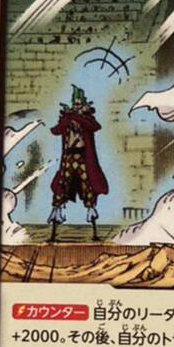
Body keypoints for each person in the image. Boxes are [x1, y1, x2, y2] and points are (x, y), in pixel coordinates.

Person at [48, 86, 109, 242]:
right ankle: (53, 233)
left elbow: (95, 127)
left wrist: (78, 117)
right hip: (68, 159)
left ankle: (94, 233)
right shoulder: (68, 118)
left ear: (83, 104)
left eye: (79, 104)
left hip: (83, 159)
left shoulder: (87, 120)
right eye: (74, 104)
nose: (76, 106)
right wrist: (69, 118)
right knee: (61, 188)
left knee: (88, 189)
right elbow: (55, 130)